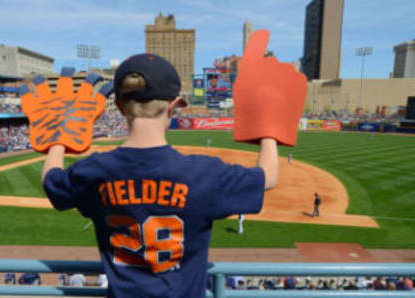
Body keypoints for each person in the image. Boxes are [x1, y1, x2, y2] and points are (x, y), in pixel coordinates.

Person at [31, 30, 305, 297]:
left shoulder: (94, 170)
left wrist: (58, 137)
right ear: (175, 106)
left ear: (120, 106)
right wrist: (268, 124)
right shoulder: (204, 173)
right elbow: (267, 177)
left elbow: (52, 182)